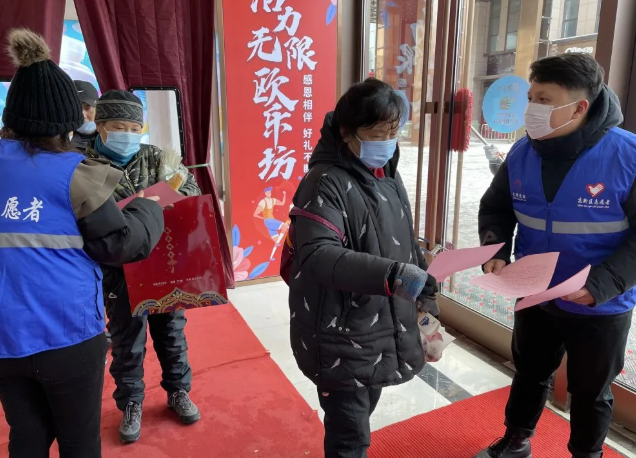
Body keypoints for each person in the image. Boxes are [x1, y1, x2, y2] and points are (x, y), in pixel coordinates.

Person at [0, 29, 165, 458]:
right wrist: (148, 210)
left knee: (26, 436)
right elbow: (120, 244)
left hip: (5, 339)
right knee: (78, 441)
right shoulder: (76, 174)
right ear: (70, 121)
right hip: (67, 334)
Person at [476, 53, 636, 458]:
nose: (531, 109)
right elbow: (496, 208)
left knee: (591, 390)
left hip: (601, 303)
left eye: (544, 100)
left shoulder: (628, 156)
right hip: (536, 292)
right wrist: (496, 248)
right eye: (531, 98)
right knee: (529, 372)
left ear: (579, 107)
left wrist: (600, 285)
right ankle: (516, 440)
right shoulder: (522, 153)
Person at [288, 78, 438, 458]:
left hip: (380, 324)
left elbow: (405, 241)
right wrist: (394, 276)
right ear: (346, 132)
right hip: (338, 330)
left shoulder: (388, 175)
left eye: (393, 132)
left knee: (361, 412)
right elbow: (318, 254)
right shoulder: (323, 182)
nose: (386, 142)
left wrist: (426, 295)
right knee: (350, 435)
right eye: (376, 133)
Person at [85, 90, 202, 444]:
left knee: (172, 333)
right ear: (100, 127)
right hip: (117, 271)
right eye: (119, 127)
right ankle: (131, 403)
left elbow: (190, 190)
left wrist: (165, 199)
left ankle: (178, 390)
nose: (128, 135)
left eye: (135, 128)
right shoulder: (85, 166)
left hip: (164, 266)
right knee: (127, 340)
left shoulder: (157, 158)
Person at [71, 80, 99, 151]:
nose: (83, 115)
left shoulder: (110, 138)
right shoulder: (63, 142)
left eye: (87, 108)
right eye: (76, 109)